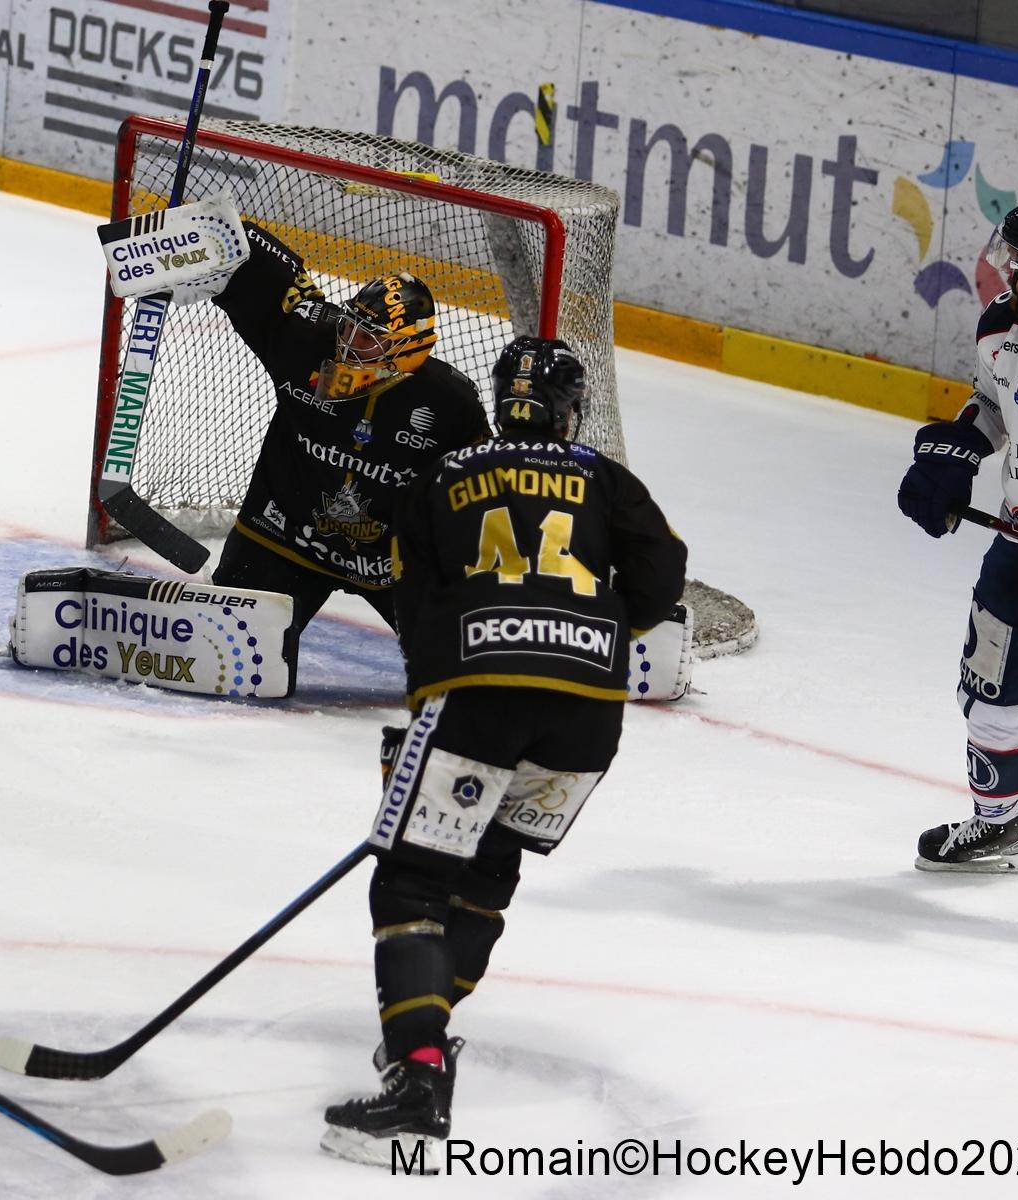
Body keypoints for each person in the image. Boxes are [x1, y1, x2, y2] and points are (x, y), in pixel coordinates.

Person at [320, 338, 686, 1168]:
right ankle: (424, 1035)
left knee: (413, 879)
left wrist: (432, 704)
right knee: (488, 872)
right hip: (587, 718)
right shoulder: (604, 476)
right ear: (569, 412)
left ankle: (418, 1075)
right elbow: (664, 575)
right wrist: (592, 635)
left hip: (478, 698)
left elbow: (414, 604)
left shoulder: (441, 476)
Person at [178, 223, 491, 691]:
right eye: (349, 326)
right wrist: (199, 236)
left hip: (390, 564)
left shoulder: (452, 407)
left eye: (368, 338)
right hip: (283, 537)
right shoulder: (308, 341)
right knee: (219, 662)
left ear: (407, 348)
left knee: (472, 680)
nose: (347, 343)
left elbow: (484, 496)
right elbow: (269, 275)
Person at [897, 192, 1018, 873]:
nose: (1004, 267)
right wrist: (955, 455)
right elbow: (992, 402)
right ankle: (1004, 826)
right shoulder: (999, 327)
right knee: (992, 696)